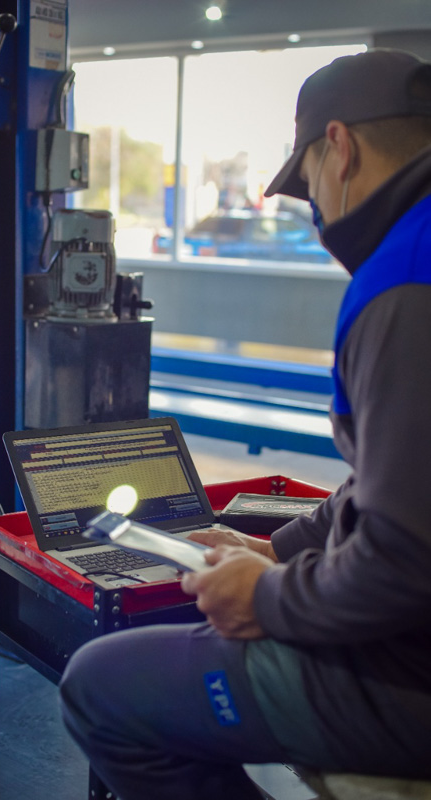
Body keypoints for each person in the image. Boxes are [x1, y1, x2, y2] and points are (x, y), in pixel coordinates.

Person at [59, 49, 431, 799]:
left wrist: (264, 597)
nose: (317, 207)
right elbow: (390, 482)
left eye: (310, 187)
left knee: (101, 685)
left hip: (412, 670)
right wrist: (274, 546)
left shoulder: (405, 286)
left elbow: (402, 559)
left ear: (341, 148)